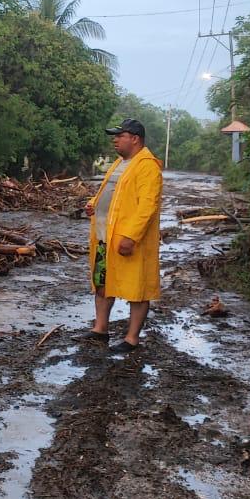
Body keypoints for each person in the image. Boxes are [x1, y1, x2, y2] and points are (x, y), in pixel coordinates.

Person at [82, 117, 163, 353]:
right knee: (102, 283)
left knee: (137, 289)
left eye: (120, 136)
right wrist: (93, 204)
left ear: (135, 139)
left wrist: (131, 236)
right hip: (105, 237)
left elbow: (147, 206)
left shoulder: (147, 166)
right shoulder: (120, 163)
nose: (115, 140)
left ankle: (131, 338)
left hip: (127, 239)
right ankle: (100, 329)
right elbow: (112, 194)